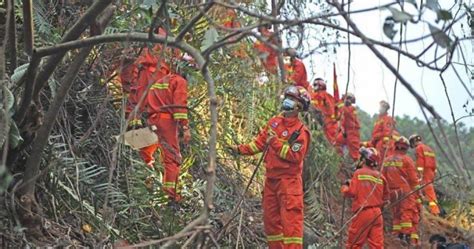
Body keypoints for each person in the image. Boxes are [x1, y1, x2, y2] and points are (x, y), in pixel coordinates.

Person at [231, 86, 311, 249]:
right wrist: (239, 150)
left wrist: (274, 142)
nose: (287, 101)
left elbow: (295, 156)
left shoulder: (301, 132)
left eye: (292, 99)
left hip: (289, 183)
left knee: (291, 227)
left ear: (299, 106)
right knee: (271, 223)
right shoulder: (274, 122)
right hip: (271, 182)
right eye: (287, 97)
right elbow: (258, 144)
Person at [120, 46, 191, 202]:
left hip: (153, 118)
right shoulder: (180, 82)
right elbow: (179, 106)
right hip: (167, 122)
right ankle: (170, 194)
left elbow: (141, 95)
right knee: (172, 158)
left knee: (147, 145)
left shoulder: (162, 80)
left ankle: (143, 168)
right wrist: (184, 127)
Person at [341, 147, 389, 249]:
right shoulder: (381, 177)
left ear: (364, 159)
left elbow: (351, 192)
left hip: (363, 213)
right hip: (377, 215)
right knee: (377, 246)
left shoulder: (359, 173)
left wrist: (344, 187)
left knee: (354, 244)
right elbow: (386, 198)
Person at [382, 136, 420, 246]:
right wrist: (418, 193)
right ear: (406, 148)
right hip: (405, 192)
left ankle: (397, 234)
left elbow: (383, 178)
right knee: (407, 213)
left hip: (392, 193)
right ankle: (405, 236)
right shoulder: (407, 160)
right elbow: (413, 180)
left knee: (396, 214)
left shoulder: (387, 160)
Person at [409, 134, 441, 215]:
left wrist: (419, 173)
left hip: (424, 172)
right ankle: (433, 210)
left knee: (418, 189)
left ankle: (430, 210)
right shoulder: (429, 149)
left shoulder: (419, 148)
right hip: (431, 172)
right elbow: (434, 163)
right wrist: (433, 173)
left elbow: (420, 161)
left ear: (414, 142)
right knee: (429, 191)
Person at [335, 93, 361, 162]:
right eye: (346, 98)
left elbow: (345, 111)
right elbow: (340, 119)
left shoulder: (352, 109)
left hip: (353, 132)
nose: (347, 100)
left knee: (354, 153)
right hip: (346, 131)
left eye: (349, 99)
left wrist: (340, 103)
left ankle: (356, 166)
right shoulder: (345, 108)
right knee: (337, 141)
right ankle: (340, 158)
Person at [310, 78, 337, 143]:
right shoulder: (313, 94)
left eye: (315, 85)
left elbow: (331, 109)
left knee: (330, 139)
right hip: (317, 119)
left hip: (327, 121)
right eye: (314, 85)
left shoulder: (325, 95)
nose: (314, 87)